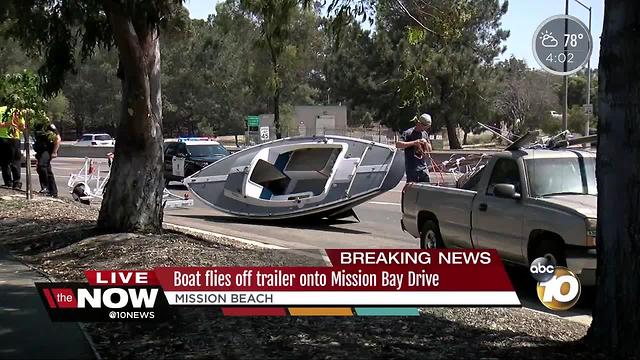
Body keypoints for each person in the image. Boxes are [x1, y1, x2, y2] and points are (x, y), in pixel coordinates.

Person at [396, 113, 433, 183]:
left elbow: (430, 150)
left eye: (427, 127)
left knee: (426, 188)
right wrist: (414, 143)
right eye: (425, 126)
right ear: (419, 123)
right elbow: (398, 144)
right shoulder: (408, 133)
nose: (425, 129)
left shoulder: (425, 134)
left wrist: (426, 143)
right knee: (411, 190)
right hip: (412, 169)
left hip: (423, 168)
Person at [33, 121, 61, 197]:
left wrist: (55, 151)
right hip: (40, 150)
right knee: (45, 169)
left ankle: (46, 188)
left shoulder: (48, 125)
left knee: (42, 166)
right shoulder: (35, 125)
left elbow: (58, 138)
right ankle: (53, 191)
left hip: (48, 150)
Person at [0, 107, 25, 189]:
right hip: (14, 138)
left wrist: (6, 124)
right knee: (15, 161)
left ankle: (8, 182)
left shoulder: (0, 110)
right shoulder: (17, 111)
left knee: (4, 162)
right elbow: (22, 126)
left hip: (2, 137)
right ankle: (17, 183)